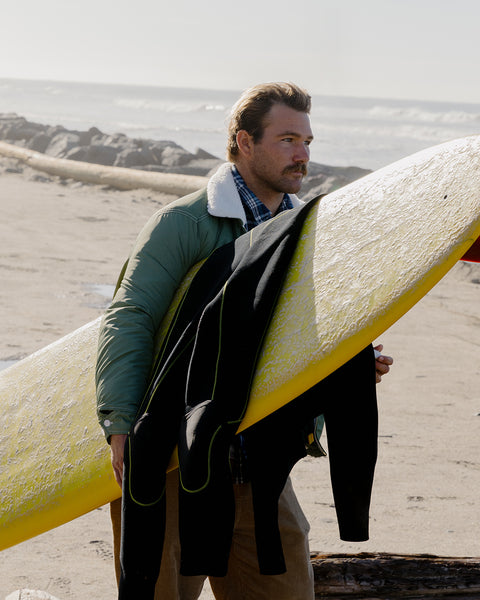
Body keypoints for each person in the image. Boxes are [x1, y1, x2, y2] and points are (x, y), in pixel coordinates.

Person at [96, 82, 393, 600]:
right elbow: (131, 313)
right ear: (244, 141)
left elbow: (291, 341)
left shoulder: (307, 234)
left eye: (308, 140)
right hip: (170, 463)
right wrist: (120, 420)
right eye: (286, 139)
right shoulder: (186, 223)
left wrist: (342, 372)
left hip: (259, 466)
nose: (302, 154)